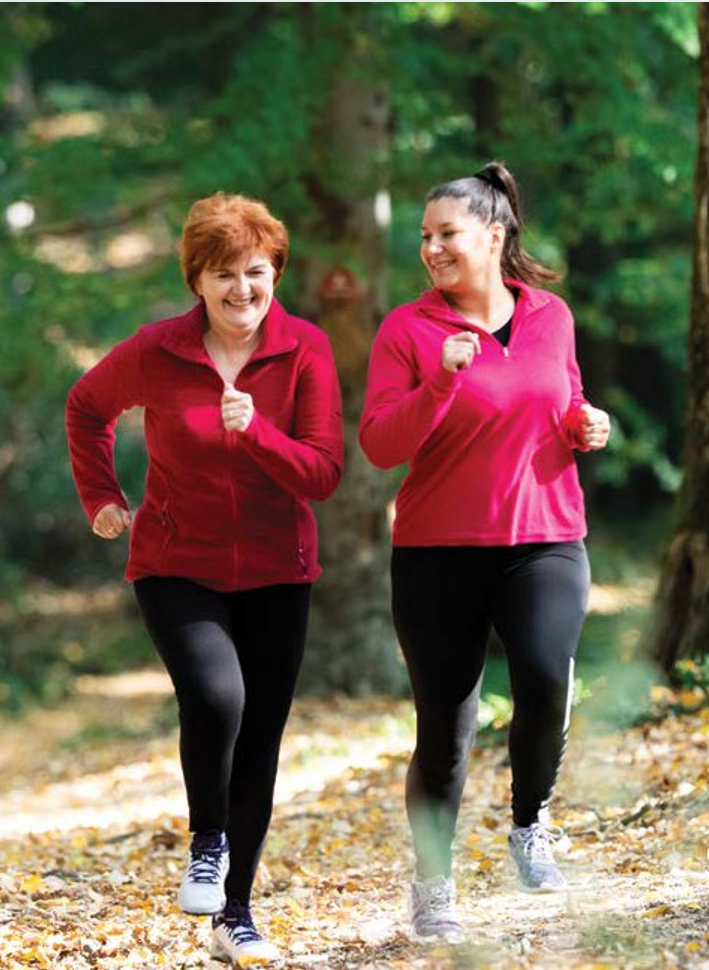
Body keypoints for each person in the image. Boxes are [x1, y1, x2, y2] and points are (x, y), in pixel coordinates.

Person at [66, 192, 343, 966]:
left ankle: (237, 914)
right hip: (174, 563)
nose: (241, 290)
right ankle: (206, 840)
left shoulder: (305, 350)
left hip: (277, 571)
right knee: (218, 697)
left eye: (256, 272)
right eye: (223, 274)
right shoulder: (157, 351)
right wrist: (102, 499)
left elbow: (322, 475)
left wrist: (256, 432)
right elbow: (87, 408)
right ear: (195, 281)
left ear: (275, 273)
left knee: (260, 738)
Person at [359, 162, 610, 940]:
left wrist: (584, 424)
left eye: (447, 234)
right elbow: (378, 444)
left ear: (493, 235)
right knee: (445, 730)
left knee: (543, 678)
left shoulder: (551, 316)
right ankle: (432, 888)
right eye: (424, 237)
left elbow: (563, 398)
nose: (431, 248)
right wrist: (437, 382)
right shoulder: (408, 330)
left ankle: (529, 824)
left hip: (544, 536)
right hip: (438, 549)